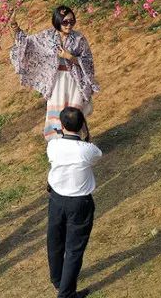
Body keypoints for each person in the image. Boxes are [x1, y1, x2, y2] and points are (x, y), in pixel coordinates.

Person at [10, 5, 98, 140]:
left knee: (75, 113)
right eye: (65, 22)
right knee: (57, 114)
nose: (69, 25)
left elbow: (88, 61)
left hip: (75, 82)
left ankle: (80, 141)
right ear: (57, 22)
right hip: (56, 82)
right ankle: (58, 143)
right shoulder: (48, 37)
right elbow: (28, 44)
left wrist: (70, 57)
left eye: (71, 21)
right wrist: (15, 26)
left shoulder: (79, 38)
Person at [46, 107, 100, 298]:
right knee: (74, 249)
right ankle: (66, 294)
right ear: (82, 125)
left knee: (55, 241)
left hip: (56, 199)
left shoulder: (53, 145)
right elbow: (96, 156)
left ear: (61, 125)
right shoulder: (88, 150)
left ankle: (58, 280)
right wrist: (86, 136)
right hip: (79, 203)